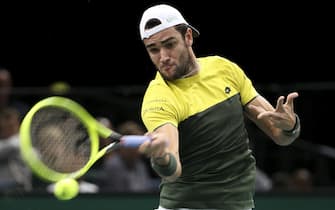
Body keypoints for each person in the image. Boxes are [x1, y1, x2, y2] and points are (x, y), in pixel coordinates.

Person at [137, 4, 301, 210]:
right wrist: (161, 157)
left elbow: (282, 137)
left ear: (188, 37)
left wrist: (289, 125)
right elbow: (172, 168)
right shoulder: (158, 98)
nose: (163, 57)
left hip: (240, 204)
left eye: (169, 44)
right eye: (153, 50)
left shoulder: (224, 69)